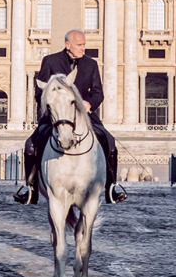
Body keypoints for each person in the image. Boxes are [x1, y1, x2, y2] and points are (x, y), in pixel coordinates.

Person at [14, 30, 127, 205]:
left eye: (84, 44)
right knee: (30, 144)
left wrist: (89, 103)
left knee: (109, 141)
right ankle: (31, 188)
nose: (83, 48)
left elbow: (98, 93)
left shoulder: (91, 64)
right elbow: (39, 93)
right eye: (79, 45)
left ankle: (111, 187)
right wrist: (53, 104)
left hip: (85, 115)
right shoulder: (50, 61)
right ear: (68, 45)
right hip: (56, 116)